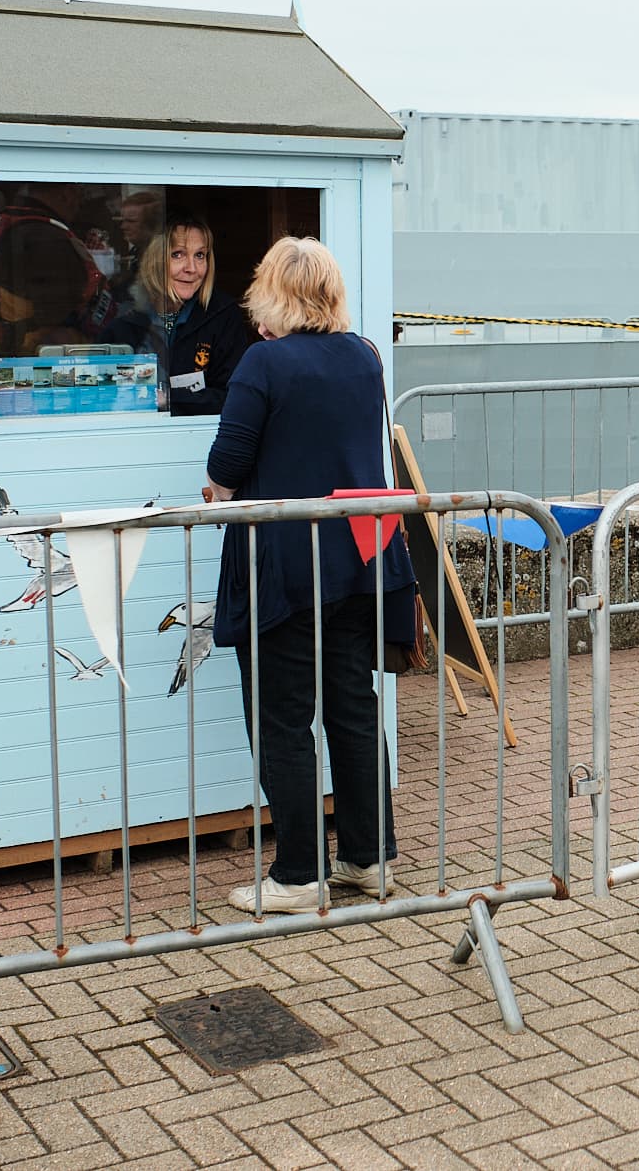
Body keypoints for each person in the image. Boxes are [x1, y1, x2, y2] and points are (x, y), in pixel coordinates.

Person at [206, 236, 418, 914]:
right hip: (361, 557)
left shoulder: (262, 362)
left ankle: (299, 874)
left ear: (270, 292)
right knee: (353, 709)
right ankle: (368, 857)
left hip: (285, 568)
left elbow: (227, 461)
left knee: (282, 718)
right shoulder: (364, 356)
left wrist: (216, 490)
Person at [114, 213, 257, 416]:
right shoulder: (126, 312)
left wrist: (171, 399)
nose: (191, 268)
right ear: (155, 261)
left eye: (200, 255)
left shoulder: (222, 314)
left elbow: (235, 397)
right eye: (178, 254)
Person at [0, 182, 102, 354]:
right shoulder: (48, 237)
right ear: (67, 194)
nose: (79, 205)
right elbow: (57, 304)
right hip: (35, 350)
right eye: (80, 196)